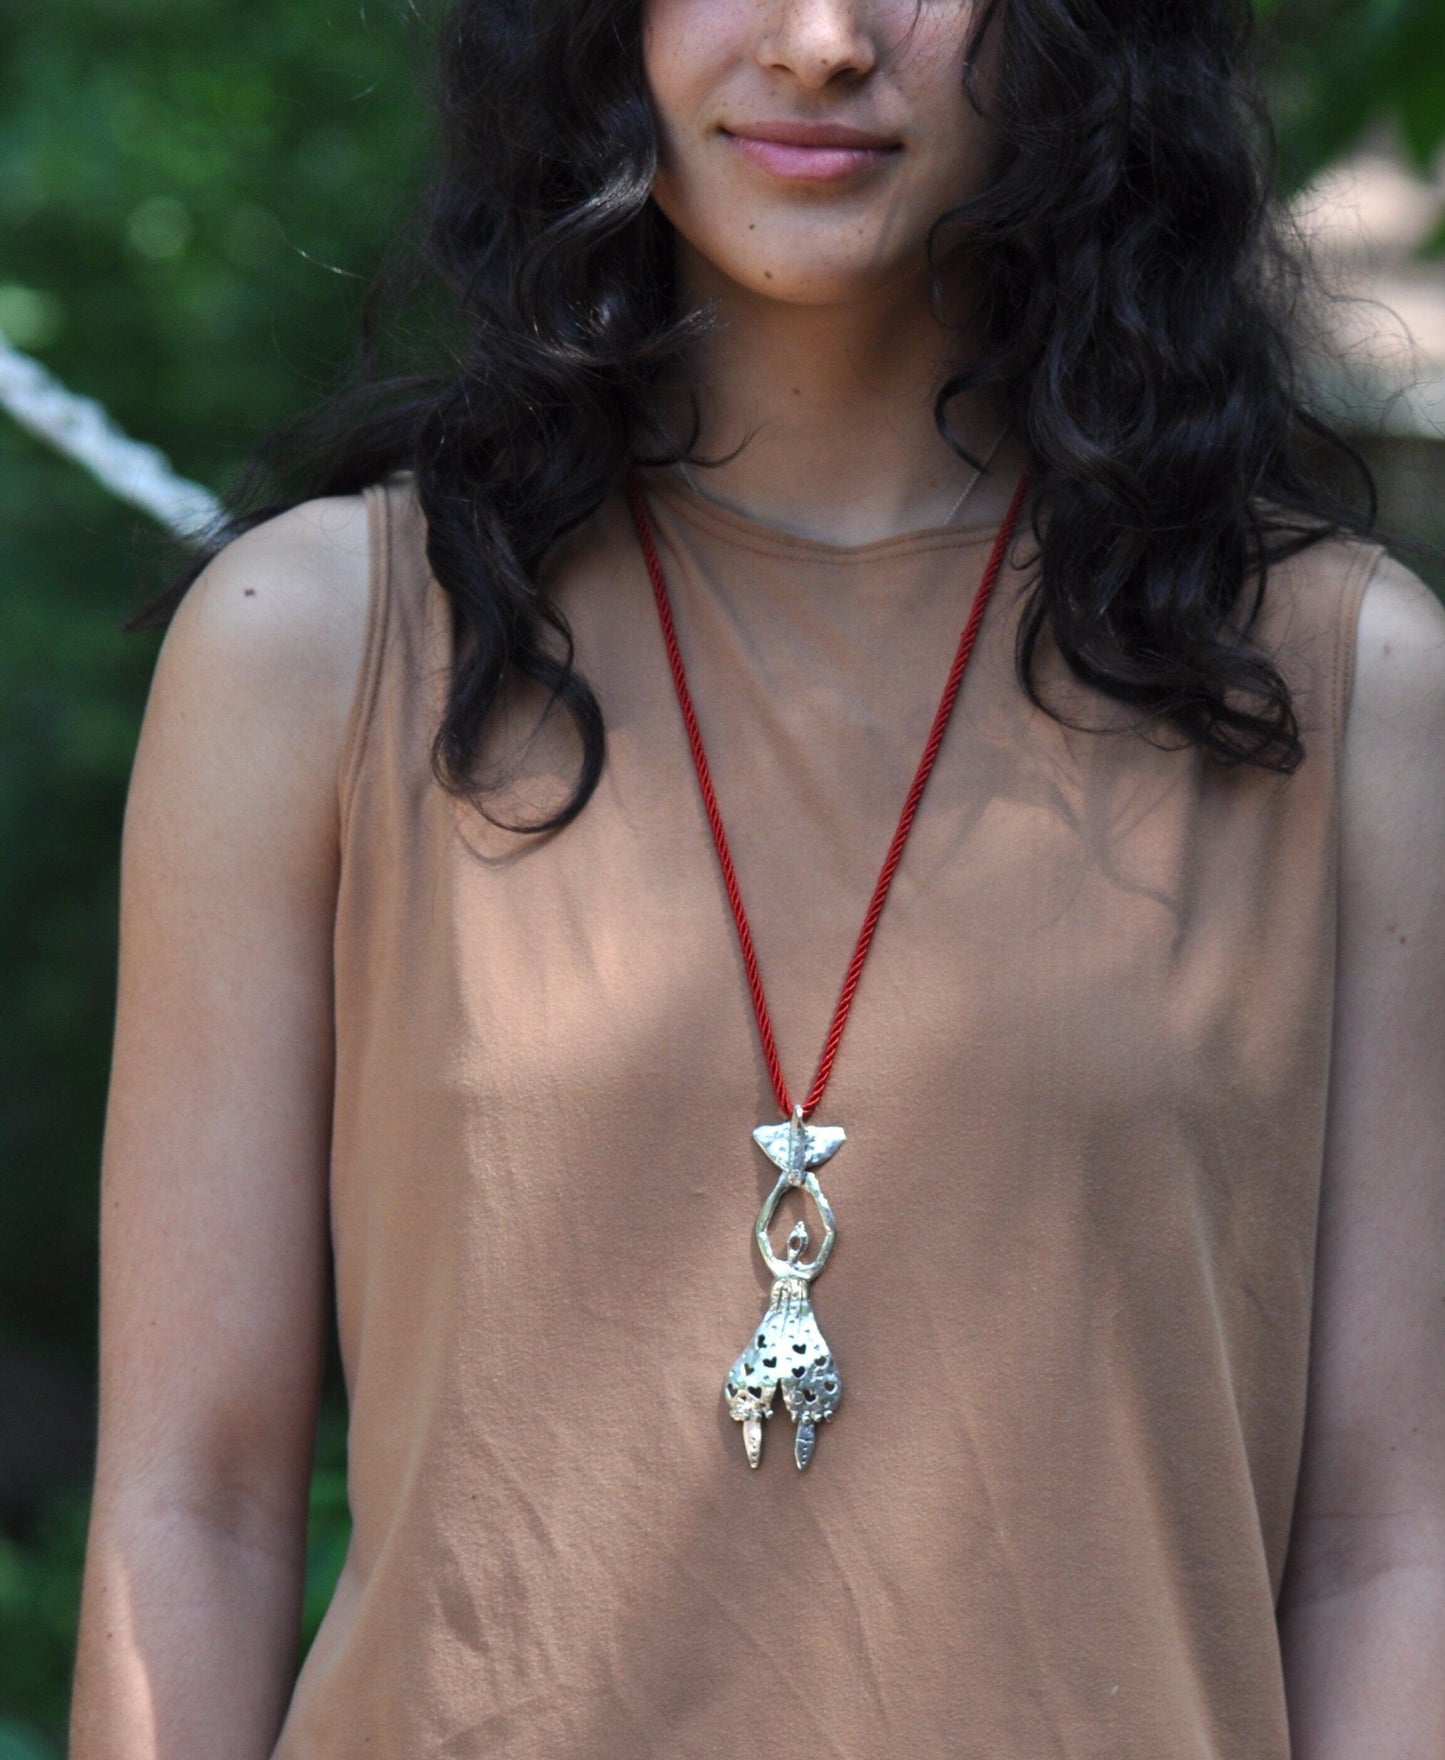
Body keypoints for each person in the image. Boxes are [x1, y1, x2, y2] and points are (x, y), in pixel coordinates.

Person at [69, 0, 1445, 1755]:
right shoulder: (313, 646)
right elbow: (195, 1500)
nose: (816, 41)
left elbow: (1385, 1548)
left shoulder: (1332, 682)